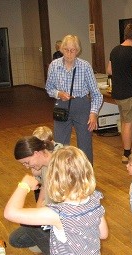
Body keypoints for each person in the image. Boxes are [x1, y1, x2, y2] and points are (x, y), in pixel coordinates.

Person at [4, 146, 108, 255]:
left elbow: (10, 213)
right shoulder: (94, 200)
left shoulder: (58, 214)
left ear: (54, 179)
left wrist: (24, 185)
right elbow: (103, 234)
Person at [46, 34, 103, 165]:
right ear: (61, 49)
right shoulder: (54, 66)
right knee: (60, 146)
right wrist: (59, 93)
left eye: (73, 50)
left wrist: (93, 113)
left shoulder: (85, 66)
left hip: (82, 106)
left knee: (85, 145)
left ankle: (86, 178)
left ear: (77, 51)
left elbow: (96, 94)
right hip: (61, 105)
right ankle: (62, 176)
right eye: (66, 49)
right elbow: (49, 88)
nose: (69, 53)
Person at [8, 136, 61, 255]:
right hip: (51, 216)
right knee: (16, 239)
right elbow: (44, 187)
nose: (27, 166)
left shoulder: (60, 165)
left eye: (27, 162)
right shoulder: (44, 165)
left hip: (62, 221)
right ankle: (52, 247)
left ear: (36, 153)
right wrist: (39, 207)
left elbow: (10, 213)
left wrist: (24, 186)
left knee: (26, 222)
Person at [106, 24, 132, 164]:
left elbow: (109, 71)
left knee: (125, 122)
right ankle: (126, 153)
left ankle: (127, 150)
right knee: (129, 125)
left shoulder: (115, 50)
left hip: (118, 93)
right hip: (129, 93)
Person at [31, 126, 63, 202]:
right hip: (40, 184)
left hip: (55, 185)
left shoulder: (59, 150)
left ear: (51, 142)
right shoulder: (35, 153)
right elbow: (35, 172)